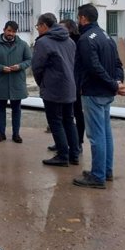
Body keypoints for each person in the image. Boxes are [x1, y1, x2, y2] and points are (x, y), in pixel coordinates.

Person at [73, 3, 125, 189]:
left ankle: (97, 176)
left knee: (96, 135)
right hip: (105, 92)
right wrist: (117, 82)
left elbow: (94, 67)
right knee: (105, 133)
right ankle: (106, 171)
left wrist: (114, 84)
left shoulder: (85, 39)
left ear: (83, 18)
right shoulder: (106, 36)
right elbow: (117, 64)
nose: (77, 21)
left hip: (93, 92)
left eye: (78, 17)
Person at [31, 12, 80, 167]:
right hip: (69, 86)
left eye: (38, 26)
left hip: (53, 87)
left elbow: (37, 67)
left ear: (44, 26)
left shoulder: (43, 42)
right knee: (69, 121)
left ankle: (62, 155)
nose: (37, 29)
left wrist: (42, 83)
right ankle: (74, 154)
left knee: (55, 122)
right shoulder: (70, 41)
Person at [0, 21, 32, 143]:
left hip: (17, 81)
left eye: (13, 31)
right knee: (1, 107)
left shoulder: (23, 45)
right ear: (4, 30)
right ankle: (1, 133)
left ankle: (16, 134)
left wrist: (20, 66)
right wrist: (1, 68)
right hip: (1, 81)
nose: (11, 33)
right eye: (9, 31)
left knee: (16, 108)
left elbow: (29, 60)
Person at [57, 18, 85, 150]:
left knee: (77, 113)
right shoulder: (60, 40)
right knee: (62, 114)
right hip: (64, 82)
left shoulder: (78, 41)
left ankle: (78, 142)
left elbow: (81, 65)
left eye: (62, 27)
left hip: (76, 82)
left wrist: (80, 83)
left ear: (70, 28)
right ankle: (63, 142)